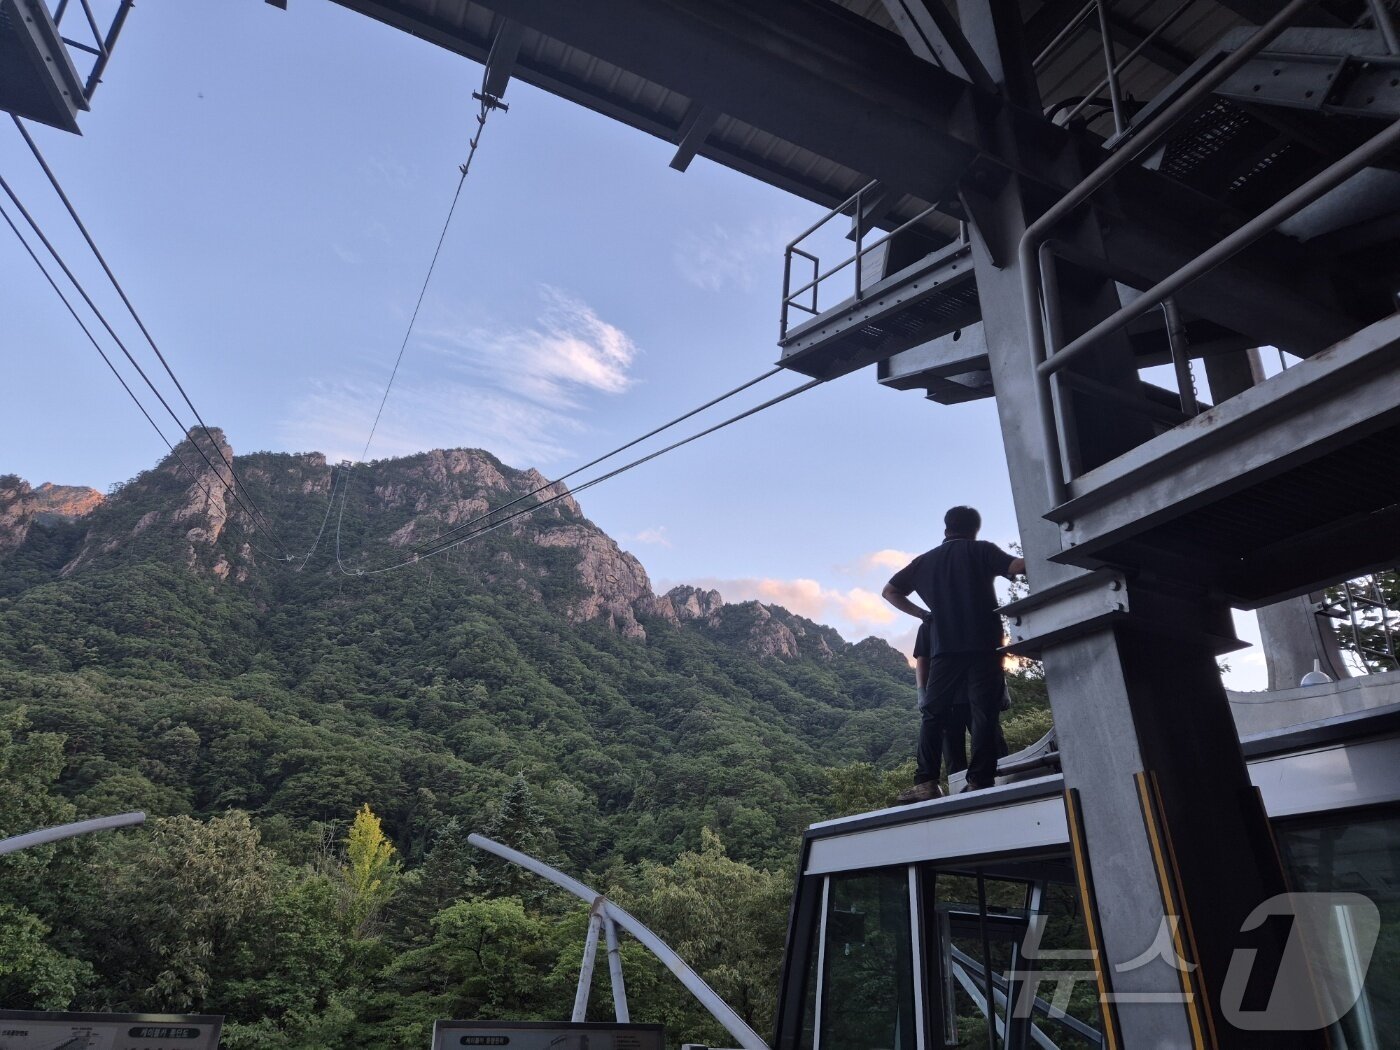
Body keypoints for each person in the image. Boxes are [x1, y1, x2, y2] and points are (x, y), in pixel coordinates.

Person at [884, 506, 1024, 802]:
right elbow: (1017, 568)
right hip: (985, 647)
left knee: (933, 713)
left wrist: (924, 614)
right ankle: (980, 781)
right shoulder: (982, 550)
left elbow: (890, 591)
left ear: (946, 528)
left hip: (944, 649)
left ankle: (926, 783)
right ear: (975, 529)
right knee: (984, 712)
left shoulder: (924, 562)